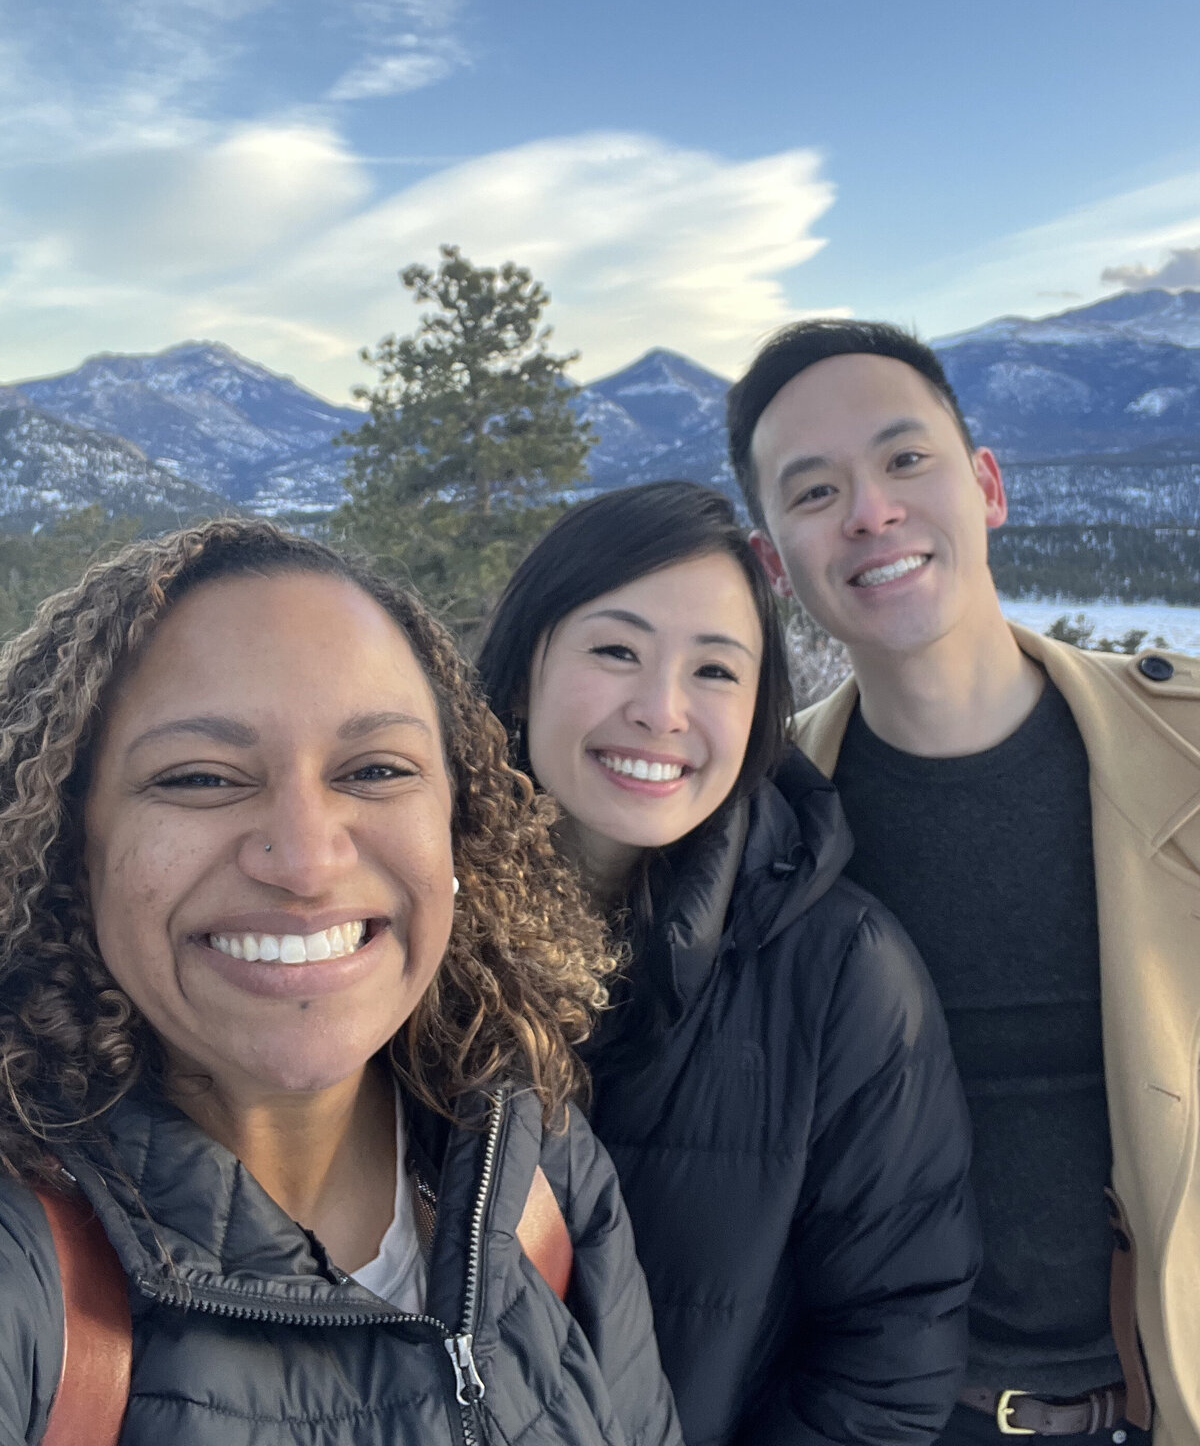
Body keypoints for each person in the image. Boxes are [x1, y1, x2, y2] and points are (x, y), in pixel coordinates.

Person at [0, 519, 682, 1446]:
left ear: (458, 828)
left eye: (374, 770)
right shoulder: (30, 1274)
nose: (307, 860)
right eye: (201, 777)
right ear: (74, 848)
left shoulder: (532, 1166)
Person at [726, 319, 1200, 1446]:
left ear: (986, 485)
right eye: (814, 490)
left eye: (904, 460)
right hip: (905, 1416)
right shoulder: (758, 830)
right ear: (773, 563)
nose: (871, 512)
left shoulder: (1189, 751)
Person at [476, 480, 978, 1446]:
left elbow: (892, 1342)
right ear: (523, 670)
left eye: (715, 672)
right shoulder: (400, 934)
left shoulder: (839, 974)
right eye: (616, 650)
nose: (662, 711)